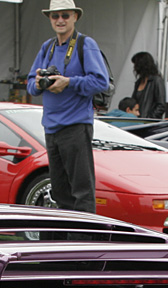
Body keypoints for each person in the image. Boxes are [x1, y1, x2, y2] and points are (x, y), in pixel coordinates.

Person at [26, 0, 109, 214]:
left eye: (65, 15)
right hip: (51, 128)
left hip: (75, 126)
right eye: (55, 16)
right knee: (61, 193)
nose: (60, 20)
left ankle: (84, 243)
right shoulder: (47, 47)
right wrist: (37, 84)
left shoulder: (85, 44)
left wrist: (68, 82)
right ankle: (65, 242)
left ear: (75, 17)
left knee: (81, 192)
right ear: (50, 19)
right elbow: (29, 84)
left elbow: (101, 82)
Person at [130, 51, 166, 120]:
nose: (134, 68)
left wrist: (149, 119)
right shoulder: (138, 82)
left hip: (148, 124)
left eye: (136, 64)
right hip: (137, 121)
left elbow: (161, 105)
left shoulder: (156, 80)